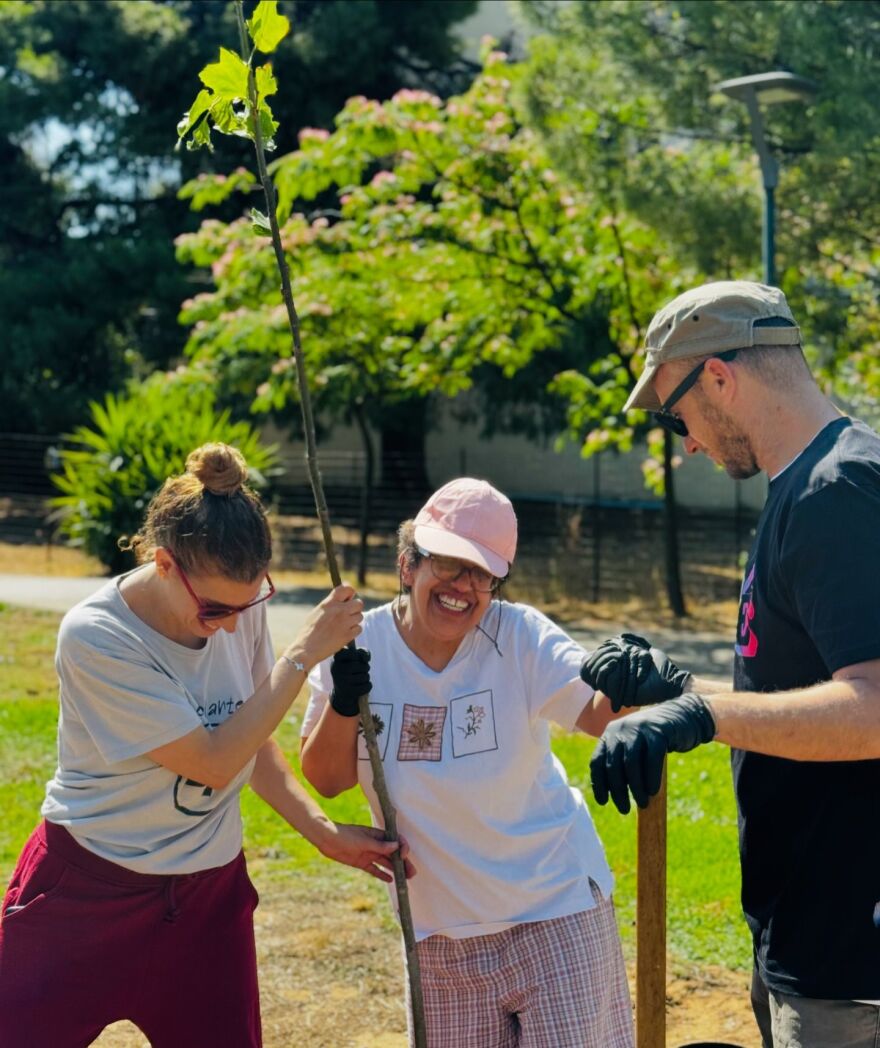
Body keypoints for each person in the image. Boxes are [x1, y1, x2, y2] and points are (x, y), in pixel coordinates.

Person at [0, 442, 410, 1048]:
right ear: (164, 564)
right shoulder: (97, 636)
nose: (234, 624)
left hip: (206, 900)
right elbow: (216, 761)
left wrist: (323, 832)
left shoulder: (233, 613)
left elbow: (249, 741)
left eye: (251, 604)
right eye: (216, 608)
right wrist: (300, 655)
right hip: (87, 892)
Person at [581, 281, 880, 1048]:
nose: (686, 442)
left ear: (718, 377)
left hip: (849, 951)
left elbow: (873, 706)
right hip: (804, 927)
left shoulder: (835, 491)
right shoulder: (807, 487)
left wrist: (702, 715)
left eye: (678, 415)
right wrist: (680, 686)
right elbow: (798, 693)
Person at [300, 477, 635, 1048]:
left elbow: (599, 714)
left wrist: (629, 679)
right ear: (409, 564)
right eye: (450, 565)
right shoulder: (357, 643)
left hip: (553, 910)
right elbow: (327, 781)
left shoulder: (519, 634)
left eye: (483, 573)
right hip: (438, 935)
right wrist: (342, 701)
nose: (464, 586)